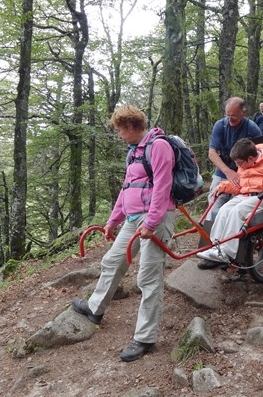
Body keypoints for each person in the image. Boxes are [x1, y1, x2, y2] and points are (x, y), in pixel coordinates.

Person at [71, 104, 176, 362]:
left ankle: (145, 338)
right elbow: (126, 189)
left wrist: (151, 224)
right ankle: (95, 308)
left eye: (120, 130)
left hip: (156, 218)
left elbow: (163, 188)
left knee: (148, 278)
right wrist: (112, 220)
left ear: (130, 126)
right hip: (132, 218)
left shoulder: (158, 146)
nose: (119, 135)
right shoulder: (133, 152)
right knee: (112, 260)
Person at [196, 138, 263, 264]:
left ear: (251, 158)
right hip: (245, 197)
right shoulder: (243, 165)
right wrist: (223, 186)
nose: (237, 166)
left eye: (239, 163)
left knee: (238, 211)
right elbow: (239, 186)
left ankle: (227, 251)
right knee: (224, 209)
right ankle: (215, 247)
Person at [202, 97, 262, 269]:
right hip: (223, 173)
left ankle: (235, 254)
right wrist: (228, 172)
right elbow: (212, 153)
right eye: (227, 115)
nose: (230, 119)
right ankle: (212, 251)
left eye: (234, 116)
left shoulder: (252, 129)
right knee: (214, 211)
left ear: (243, 113)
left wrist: (246, 175)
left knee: (237, 214)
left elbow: (261, 155)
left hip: (244, 177)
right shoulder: (220, 126)